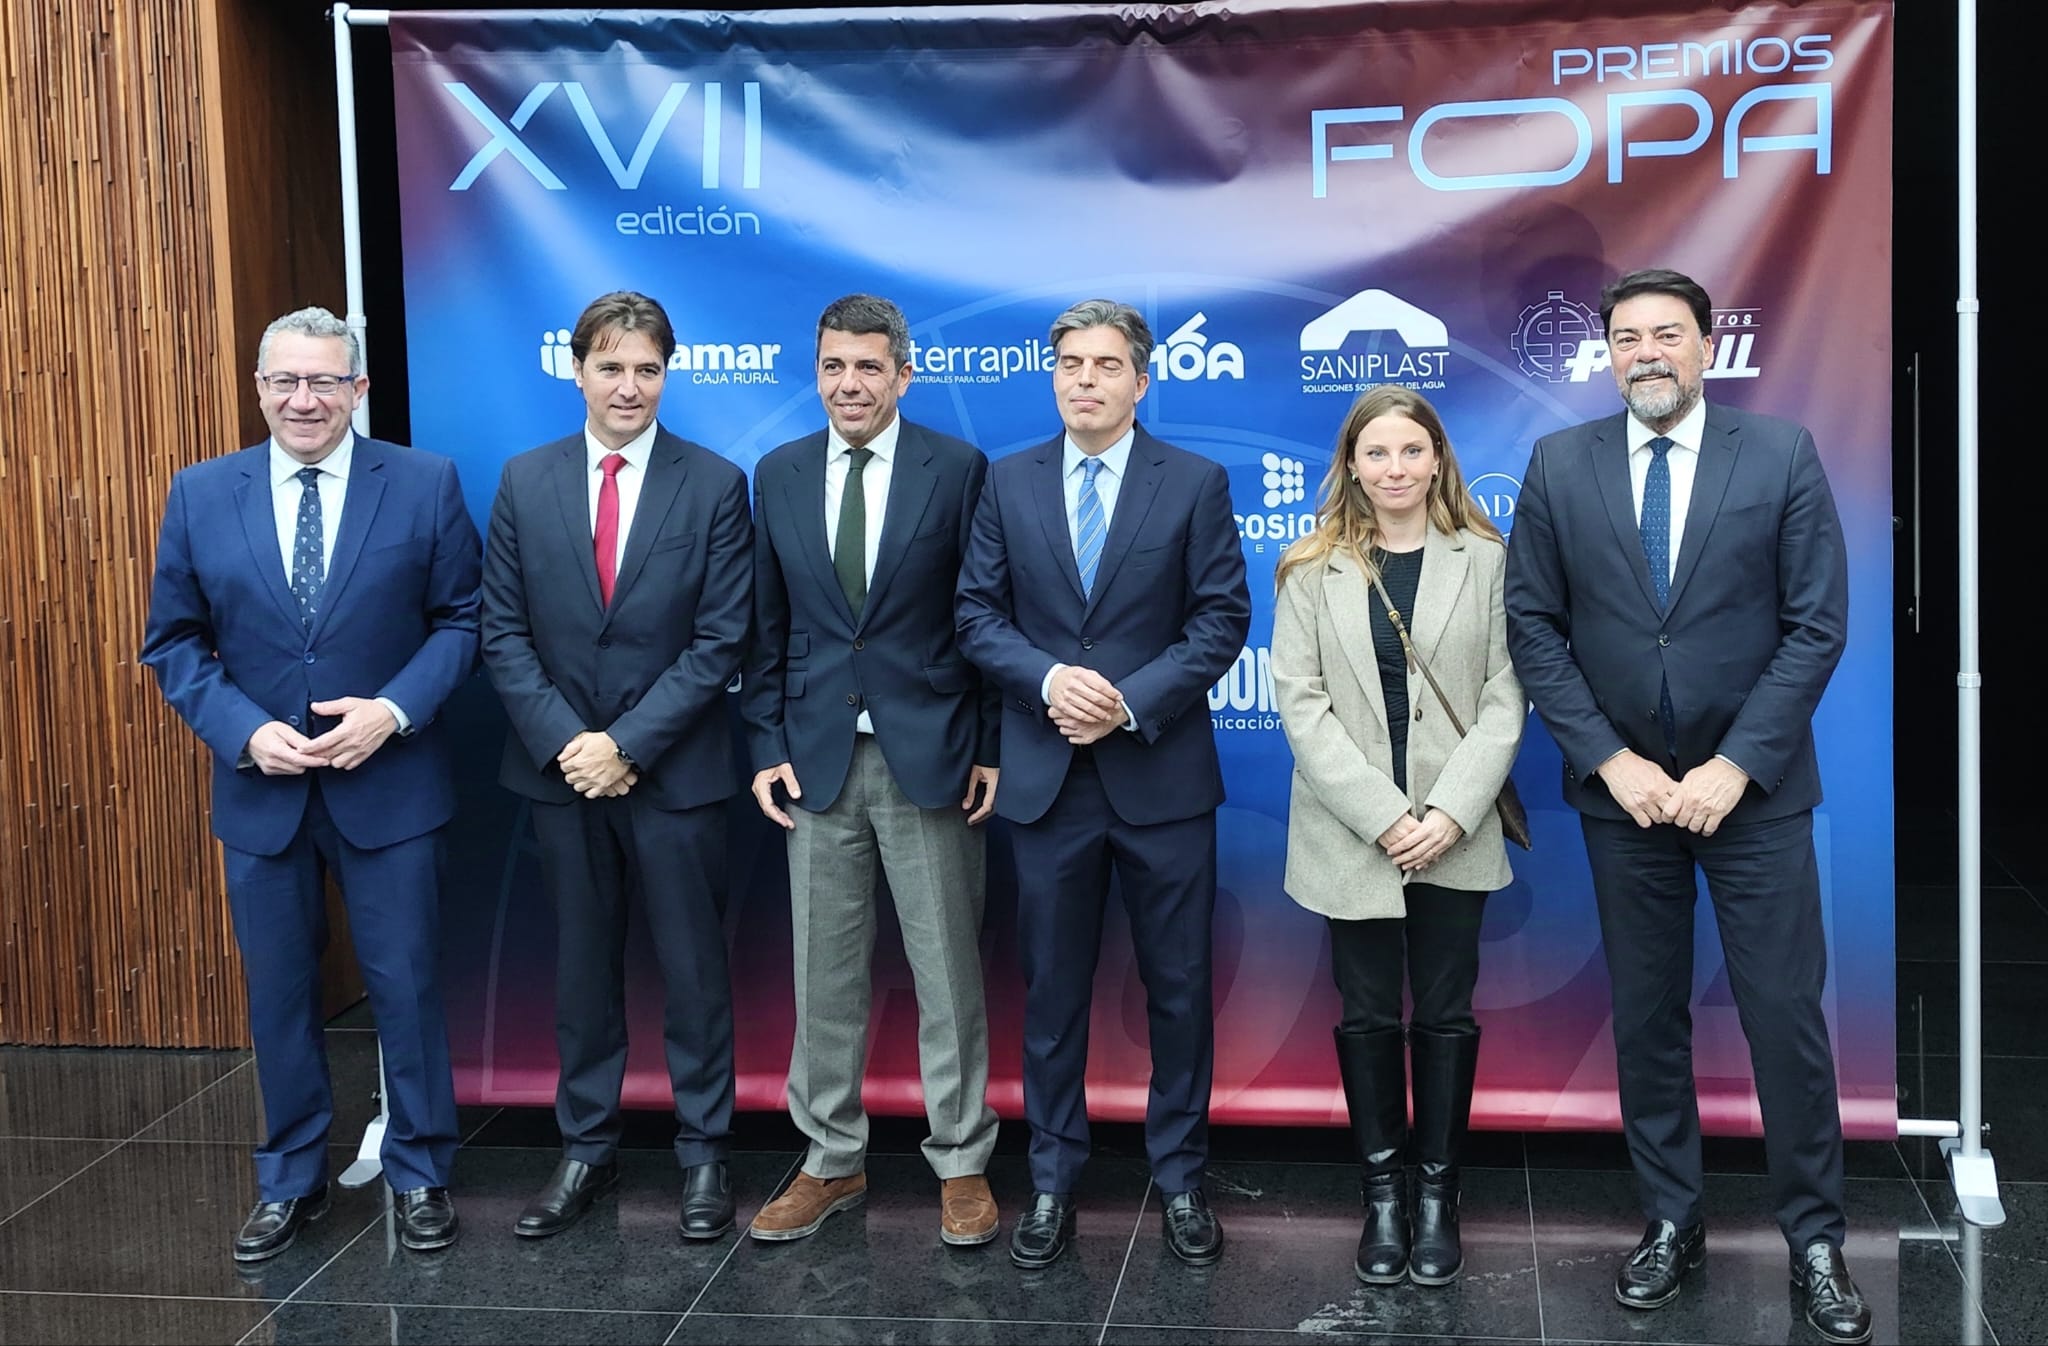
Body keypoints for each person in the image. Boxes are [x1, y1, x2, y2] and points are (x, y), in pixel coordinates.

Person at [1504, 268, 1870, 1344]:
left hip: (1746, 798)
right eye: (1626, 338)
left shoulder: (1780, 453)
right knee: (1647, 1017)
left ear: (1708, 346)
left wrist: (1735, 765)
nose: (1646, 352)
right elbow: (1533, 626)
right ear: (1606, 354)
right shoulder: (1557, 463)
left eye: (1667, 334)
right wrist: (1609, 760)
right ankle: (1669, 1217)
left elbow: (1816, 624)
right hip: (1626, 798)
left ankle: (1813, 1236)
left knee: (1781, 1016)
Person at [140, 305, 478, 1259]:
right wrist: (245, 734)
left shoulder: (423, 484)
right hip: (263, 797)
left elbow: (463, 621)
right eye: (285, 381)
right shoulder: (203, 493)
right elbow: (173, 643)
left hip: (393, 787)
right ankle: (291, 1179)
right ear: (258, 390)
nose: (304, 399)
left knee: (406, 987)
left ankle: (420, 1172)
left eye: (325, 380)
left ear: (357, 388)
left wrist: (392, 712)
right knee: (280, 996)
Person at [956, 299, 1251, 1269]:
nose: (1083, 379)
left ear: (1141, 378)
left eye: (1104, 364)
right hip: (1046, 782)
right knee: (1051, 994)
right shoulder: (1006, 480)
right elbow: (975, 616)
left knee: (1177, 990)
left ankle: (1179, 1177)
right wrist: (1048, 681)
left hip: (1158, 774)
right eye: (1069, 364)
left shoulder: (1194, 481)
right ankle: (1049, 1176)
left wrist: (1122, 701)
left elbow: (1219, 619)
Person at [479, 290, 752, 1243]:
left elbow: (722, 639)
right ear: (577, 369)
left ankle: (704, 1155)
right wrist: (575, 746)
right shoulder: (524, 480)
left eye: (646, 368)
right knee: (583, 972)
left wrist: (626, 744)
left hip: (674, 775)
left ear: (666, 374)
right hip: (560, 777)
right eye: (610, 366)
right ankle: (586, 1150)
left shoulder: (715, 483)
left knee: (693, 972)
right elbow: (502, 632)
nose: (628, 386)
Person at [742, 294, 1003, 1246]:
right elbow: (765, 625)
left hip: (929, 754)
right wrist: (765, 744)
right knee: (825, 975)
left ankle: (963, 1162)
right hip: (815, 761)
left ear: (902, 373)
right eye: (833, 368)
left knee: (948, 972)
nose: (849, 385)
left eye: (867, 367)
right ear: (816, 372)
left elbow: (982, 617)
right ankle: (829, 1160)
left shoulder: (957, 469)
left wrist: (988, 747)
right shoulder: (777, 473)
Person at [1270, 385, 1523, 1288]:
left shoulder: (1486, 561)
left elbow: (1505, 698)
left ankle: (1436, 1195)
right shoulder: (1309, 568)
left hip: (1457, 828)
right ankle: (1382, 1195)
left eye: (1411, 452)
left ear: (1438, 458)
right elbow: (1300, 707)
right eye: (1376, 454)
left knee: (1446, 1012)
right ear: (1351, 465)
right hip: (1354, 834)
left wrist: (1449, 812)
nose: (1395, 470)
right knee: (1369, 1011)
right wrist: (1385, 816)